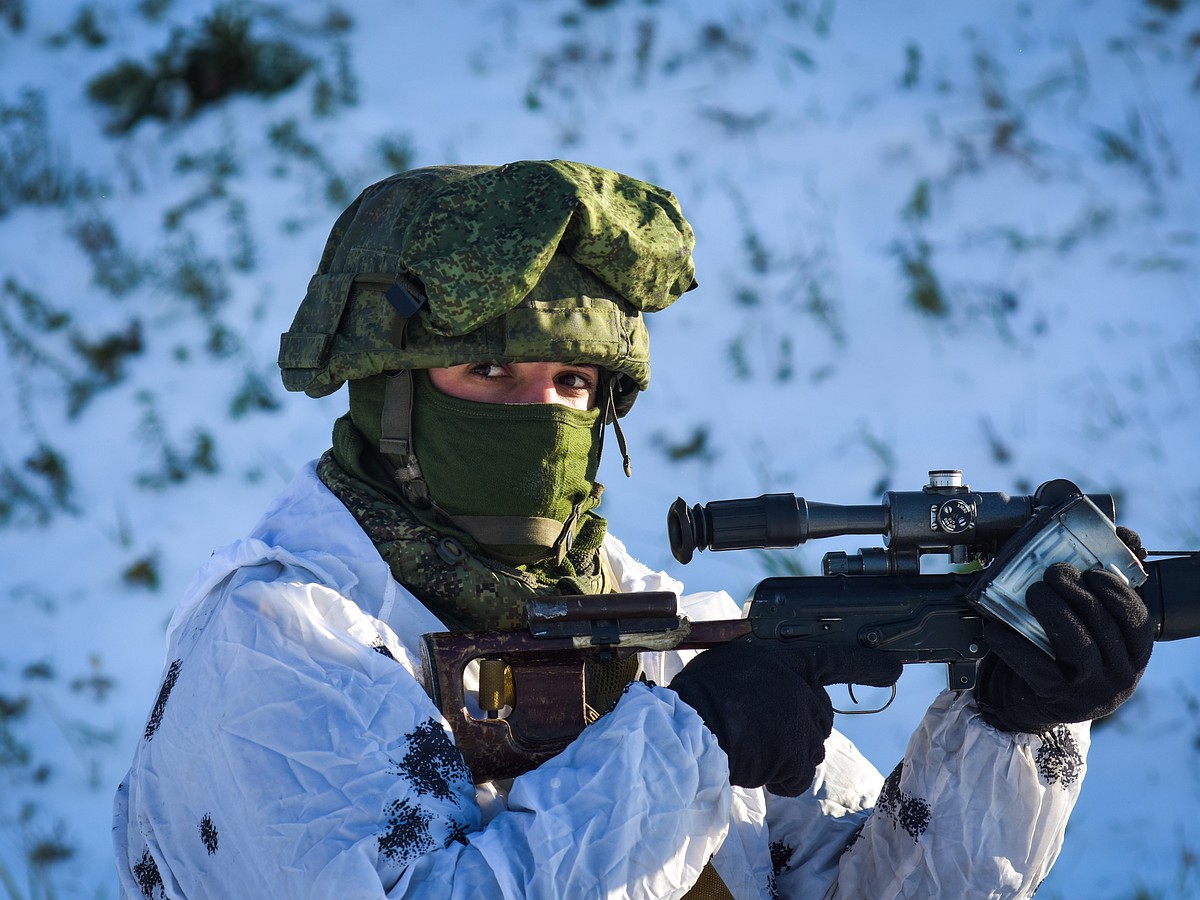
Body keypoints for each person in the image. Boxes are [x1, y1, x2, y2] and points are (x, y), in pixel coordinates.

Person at [112, 160, 1154, 899]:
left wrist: (1009, 731)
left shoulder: (659, 635)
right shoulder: (283, 643)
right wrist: (686, 752)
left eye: (573, 383)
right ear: (387, 390)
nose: (542, 416)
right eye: (489, 372)